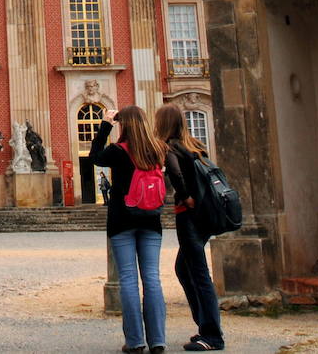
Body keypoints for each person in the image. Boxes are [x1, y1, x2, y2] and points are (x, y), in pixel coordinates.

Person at [90, 105, 176, 354]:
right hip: (151, 220)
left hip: (122, 220)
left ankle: (136, 342)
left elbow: (95, 156)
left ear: (124, 125)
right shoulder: (158, 149)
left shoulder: (118, 151)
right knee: (152, 279)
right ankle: (158, 341)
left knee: (128, 279)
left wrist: (106, 123)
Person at [156, 104, 225, 351]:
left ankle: (212, 335)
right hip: (205, 215)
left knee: (198, 273)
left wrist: (184, 195)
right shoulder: (194, 145)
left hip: (190, 216)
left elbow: (174, 172)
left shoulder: (170, 147)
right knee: (183, 269)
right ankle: (205, 326)